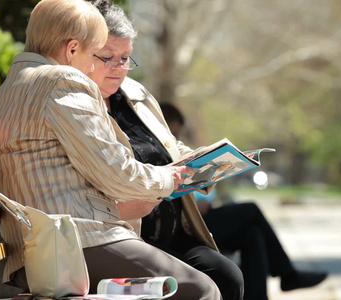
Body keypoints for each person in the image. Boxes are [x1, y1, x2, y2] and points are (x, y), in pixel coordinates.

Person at [0, 0, 220, 299]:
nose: (95, 67)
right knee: (200, 288)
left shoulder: (10, 88)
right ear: (72, 49)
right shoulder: (61, 80)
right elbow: (116, 173)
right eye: (96, 53)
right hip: (76, 243)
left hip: (38, 251)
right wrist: (169, 178)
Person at [87, 1, 244, 299]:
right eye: (108, 57)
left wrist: (211, 162)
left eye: (126, 58)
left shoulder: (135, 93)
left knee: (227, 274)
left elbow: (169, 146)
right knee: (205, 285)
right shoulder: (78, 106)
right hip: (130, 236)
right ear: (81, 52)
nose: (119, 68)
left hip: (175, 231)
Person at [161, 102, 329, 300]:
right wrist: (196, 204)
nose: (176, 139)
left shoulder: (173, 150)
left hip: (202, 214)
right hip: (188, 221)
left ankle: (272, 287)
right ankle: (287, 274)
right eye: (174, 133)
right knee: (251, 210)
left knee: (253, 234)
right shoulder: (154, 151)